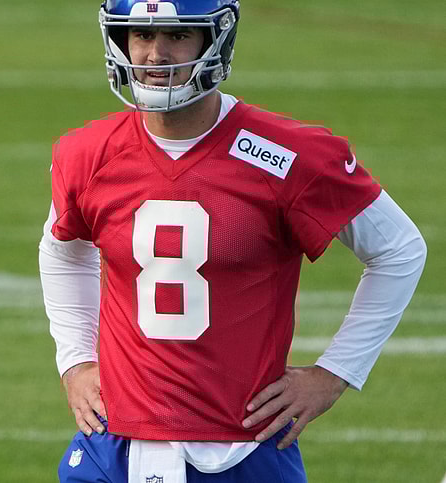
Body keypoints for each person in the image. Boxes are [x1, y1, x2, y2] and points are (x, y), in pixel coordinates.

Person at [38, 1, 426, 481]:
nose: (155, 55)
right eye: (140, 34)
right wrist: (76, 360)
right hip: (114, 440)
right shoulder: (87, 152)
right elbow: (60, 249)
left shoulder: (290, 156)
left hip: (243, 446)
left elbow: (399, 250)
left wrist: (333, 375)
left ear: (215, 38)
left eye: (177, 36)